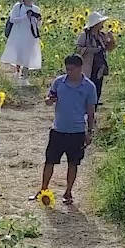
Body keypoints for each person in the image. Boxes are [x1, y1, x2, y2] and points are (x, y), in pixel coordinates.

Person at [39, 54, 98, 203]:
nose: (69, 72)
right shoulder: (59, 82)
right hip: (58, 129)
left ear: (80, 68)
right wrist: (49, 100)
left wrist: (89, 132)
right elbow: (48, 100)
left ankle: (68, 192)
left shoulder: (89, 87)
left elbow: (91, 111)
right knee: (49, 161)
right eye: (67, 69)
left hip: (77, 131)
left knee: (73, 163)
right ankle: (43, 190)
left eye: (71, 69)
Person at [0, 0, 42, 84]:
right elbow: (12, 20)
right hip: (18, 34)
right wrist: (24, 17)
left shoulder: (36, 9)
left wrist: (37, 19)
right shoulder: (18, 7)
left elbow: (38, 24)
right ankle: (17, 72)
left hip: (30, 35)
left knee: (28, 54)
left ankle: (25, 76)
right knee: (19, 53)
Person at [76, 11, 116, 102]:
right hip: (88, 66)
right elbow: (77, 49)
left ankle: (94, 105)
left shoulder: (102, 36)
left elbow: (109, 49)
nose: (103, 24)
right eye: (101, 22)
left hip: (100, 66)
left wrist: (111, 40)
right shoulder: (85, 35)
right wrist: (91, 50)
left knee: (98, 86)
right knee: (88, 86)